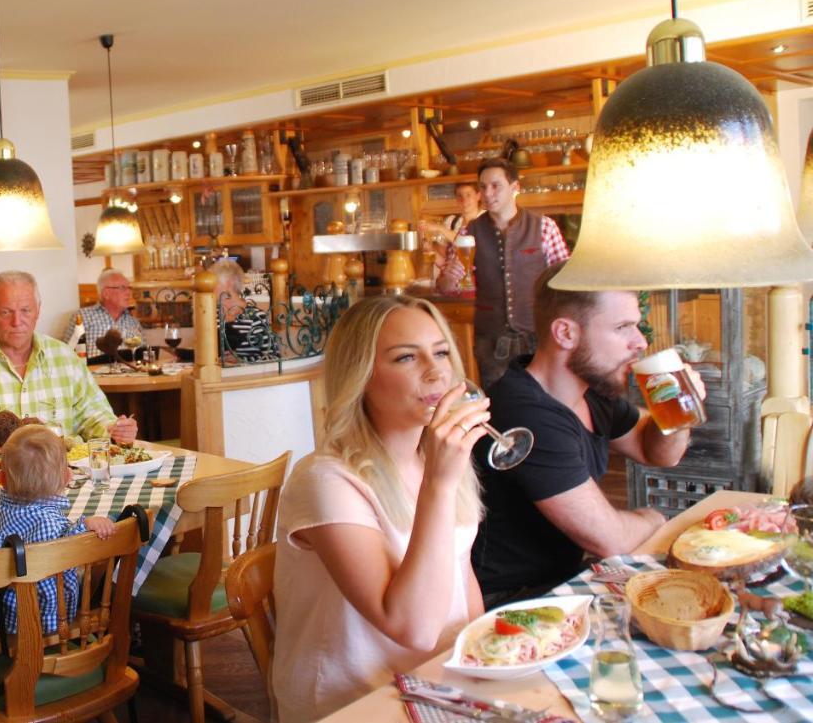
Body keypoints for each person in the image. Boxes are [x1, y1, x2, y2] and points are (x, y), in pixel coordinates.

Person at [272, 295, 489, 722]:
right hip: (357, 704)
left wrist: (485, 663)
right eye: (406, 357)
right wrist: (439, 487)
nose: (436, 370)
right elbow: (414, 628)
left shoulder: (436, 462)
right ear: (362, 376)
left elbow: (463, 587)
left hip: (439, 688)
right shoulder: (326, 479)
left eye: (441, 351)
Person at [472, 262, 700, 608]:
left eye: (636, 326)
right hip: (512, 602)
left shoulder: (590, 391)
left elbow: (657, 452)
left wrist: (680, 413)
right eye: (623, 327)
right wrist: (657, 518)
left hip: (565, 579)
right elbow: (610, 540)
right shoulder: (525, 413)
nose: (639, 343)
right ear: (565, 333)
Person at [0, 271, 137, 445]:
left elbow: (95, 415)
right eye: (5, 312)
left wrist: (115, 429)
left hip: (66, 478)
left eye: (26, 310)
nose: (17, 321)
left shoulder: (65, 358)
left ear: (38, 311)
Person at [437, 160, 570, 388]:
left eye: (495, 186)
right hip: (490, 339)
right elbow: (446, 286)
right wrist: (449, 275)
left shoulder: (544, 227)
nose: (488, 193)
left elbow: (565, 282)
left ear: (514, 187)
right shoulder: (469, 232)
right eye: (483, 187)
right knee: (499, 407)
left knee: (546, 402)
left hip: (538, 336)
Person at [0, 425, 116, 635]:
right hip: (49, 621)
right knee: (97, 571)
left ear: (2, 479)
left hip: (3, 616)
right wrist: (86, 525)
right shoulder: (51, 524)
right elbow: (67, 549)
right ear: (67, 477)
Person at [61, 269, 144, 358]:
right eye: (123, 288)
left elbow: (143, 354)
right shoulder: (83, 317)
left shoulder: (133, 322)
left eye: (129, 288)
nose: (128, 292)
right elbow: (66, 352)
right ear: (106, 293)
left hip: (129, 370)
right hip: (92, 371)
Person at [208, 259, 279, 363]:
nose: (209, 286)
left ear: (229, 283)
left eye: (213, 282)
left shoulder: (256, 317)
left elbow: (274, 358)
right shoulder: (212, 316)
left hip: (246, 377)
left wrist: (241, 361)